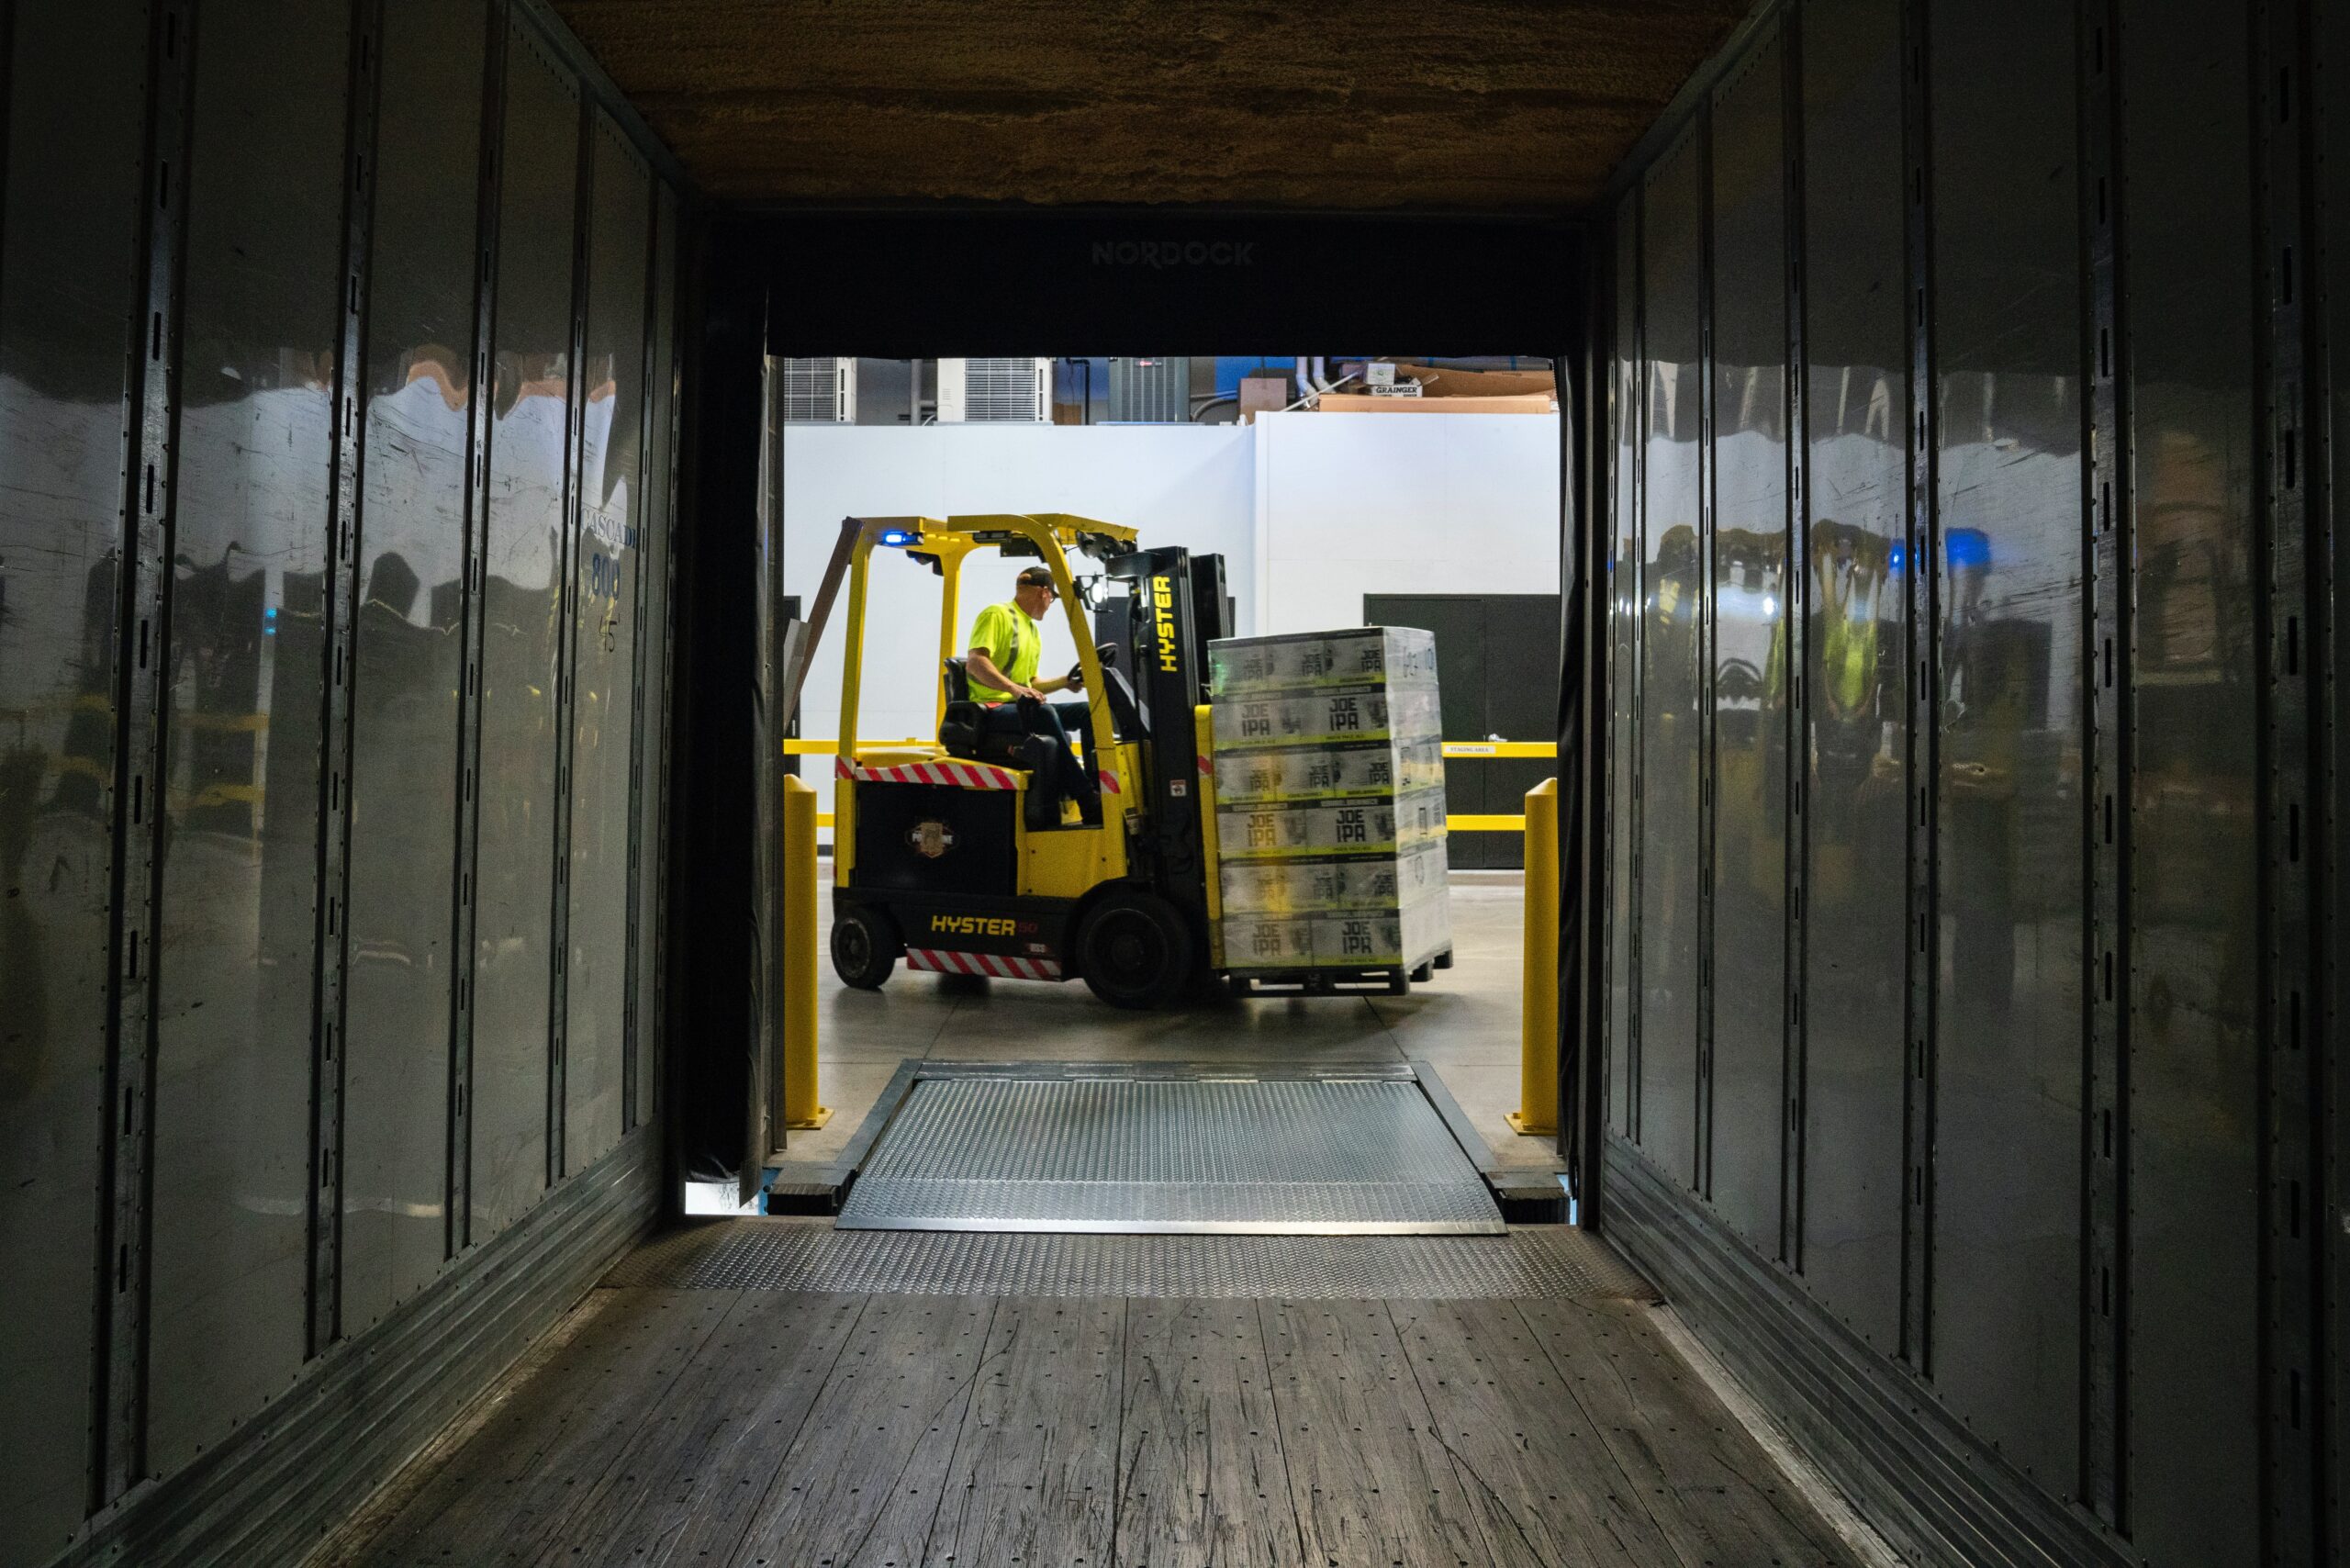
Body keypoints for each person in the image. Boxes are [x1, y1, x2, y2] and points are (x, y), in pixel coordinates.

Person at [964, 565, 1081, 702]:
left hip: (1019, 704)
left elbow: (1030, 683)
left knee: (1084, 711)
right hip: (991, 704)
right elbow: (975, 662)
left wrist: (1064, 682)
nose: (1049, 604)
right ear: (1044, 593)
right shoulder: (996, 614)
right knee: (1046, 714)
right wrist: (1013, 688)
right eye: (1051, 598)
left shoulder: (1032, 630)